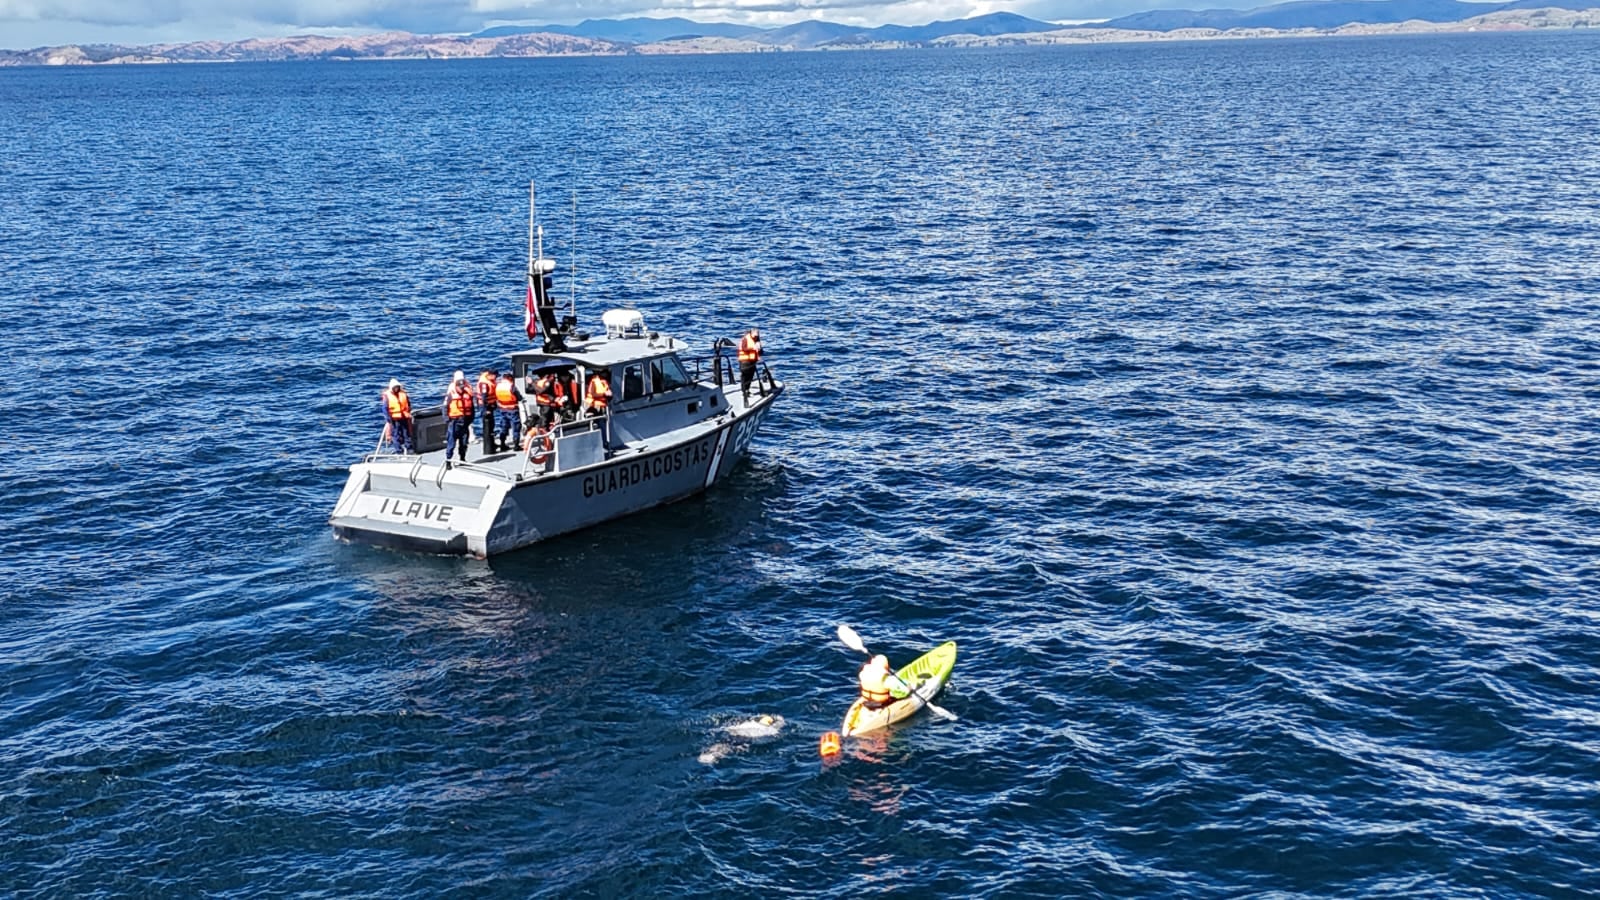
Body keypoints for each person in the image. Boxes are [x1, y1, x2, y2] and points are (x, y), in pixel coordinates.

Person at [443, 370, 475, 463]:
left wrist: (471, 418)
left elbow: (471, 406)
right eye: (459, 386)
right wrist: (447, 419)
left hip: (465, 421)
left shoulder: (468, 393)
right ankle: (448, 460)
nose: (461, 388)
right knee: (451, 442)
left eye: (462, 386)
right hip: (454, 421)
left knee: (464, 441)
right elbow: (445, 407)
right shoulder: (451, 394)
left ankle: (462, 458)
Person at [493, 369, 524, 452]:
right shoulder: (511, 386)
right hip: (512, 409)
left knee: (503, 427)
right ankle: (516, 445)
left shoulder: (498, 386)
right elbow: (519, 397)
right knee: (516, 427)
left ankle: (502, 443)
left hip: (502, 409)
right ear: (510, 378)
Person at [382, 378, 414, 454]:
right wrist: (388, 418)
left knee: (406, 433)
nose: (396, 388)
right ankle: (399, 450)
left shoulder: (403, 393)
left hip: (404, 417)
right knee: (396, 435)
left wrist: (408, 412)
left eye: (397, 387)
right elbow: (385, 408)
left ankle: (409, 448)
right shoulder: (387, 396)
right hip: (394, 419)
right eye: (395, 387)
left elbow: (408, 404)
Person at [737, 327, 764, 406]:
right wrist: (753, 348)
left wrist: (760, 349)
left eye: (758, 335)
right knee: (745, 375)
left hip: (752, 361)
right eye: (756, 334)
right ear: (752, 333)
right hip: (745, 360)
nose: (757, 336)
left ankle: (747, 390)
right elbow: (744, 348)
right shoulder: (746, 339)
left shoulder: (757, 340)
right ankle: (744, 391)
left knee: (750, 376)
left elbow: (760, 352)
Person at [475, 368, 499, 454]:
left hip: (490, 405)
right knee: (487, 427)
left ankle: (492, 444)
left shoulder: (489, 382)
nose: (496, 378)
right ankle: (488, 447)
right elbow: (484, 397)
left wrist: (494, 404)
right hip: (485, 407)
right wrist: (486, 410)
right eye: (495, 376)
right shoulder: (484, 384)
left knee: (491, 426)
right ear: (491, 375)